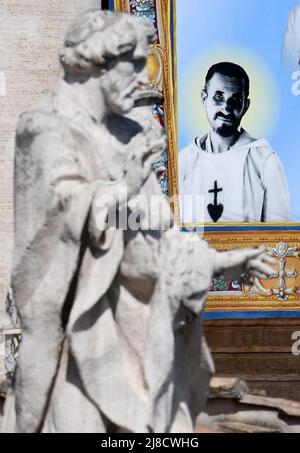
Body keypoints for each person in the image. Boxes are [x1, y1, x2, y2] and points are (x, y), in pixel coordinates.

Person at [1, 11, 276, 433]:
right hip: (74, 334)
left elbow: (158, 237)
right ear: (100, 62)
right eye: (135, 64)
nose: (144, 77)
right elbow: (64, 216)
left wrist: (224, 261)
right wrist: (124, 187)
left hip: (135, 330)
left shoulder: (130, 134)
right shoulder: (45, 128)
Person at [179, 62, 290, 223]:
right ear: (204, 98)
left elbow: (279, 237)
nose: (226, 108)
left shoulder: (265, 162)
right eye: (219, 97)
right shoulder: (185, 161)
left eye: (235, 99)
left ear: (246, 106)